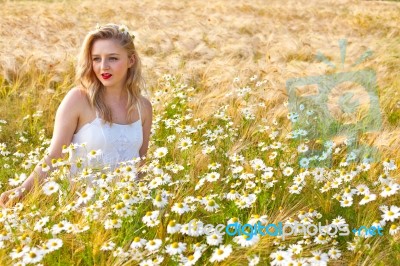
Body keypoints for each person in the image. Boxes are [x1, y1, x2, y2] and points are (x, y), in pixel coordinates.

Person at [0, 23, 153, 207]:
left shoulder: (143, 107)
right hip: (82, 212)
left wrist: (145, 207)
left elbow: (141, 164)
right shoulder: (78, 99)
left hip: (127, 212)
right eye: (96, 59)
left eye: (112, 58)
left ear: (131, 60)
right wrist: (22, 190)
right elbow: (54, 157)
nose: (103, 67)